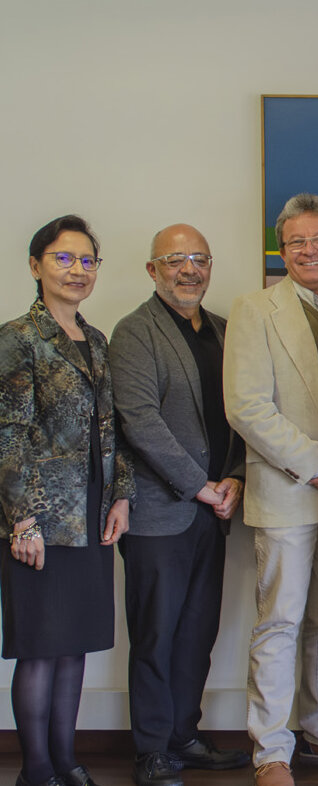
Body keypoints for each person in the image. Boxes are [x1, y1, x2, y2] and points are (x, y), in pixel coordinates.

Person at [224, 193, 318, 786]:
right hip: (289, 487)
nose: (308, 251)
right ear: (281, 251)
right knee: (280, 619)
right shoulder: (255, 309)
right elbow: (247, 407)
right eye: (295, 243)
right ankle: (271, 748)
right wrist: (316, 462)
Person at [109, 224, 250, 786]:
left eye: (200, 258)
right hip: (159, 512)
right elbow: (140, 423)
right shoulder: (134, 332)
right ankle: (150, 748)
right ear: (152, 270)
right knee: (156, 634)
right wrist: (201, 485)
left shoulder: (222, 330)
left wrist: (236, 478)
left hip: (214, 509)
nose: (190, 269)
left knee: (197, 630)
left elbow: (241, 414)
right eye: (175, 260)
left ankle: (183, 737)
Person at [0, 215, 134, 786]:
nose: (77, 270)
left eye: (87, 260)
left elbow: (113, 430)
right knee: (40, 646)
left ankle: (66, 761)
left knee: (73, 644)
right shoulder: (17, 339)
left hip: (92, 516)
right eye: (63, 258)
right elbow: (7, 435)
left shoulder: (96, 339)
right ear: (36, 266)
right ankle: (36, 770)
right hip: (40, 522)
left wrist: (121, 496)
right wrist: (21, 521)